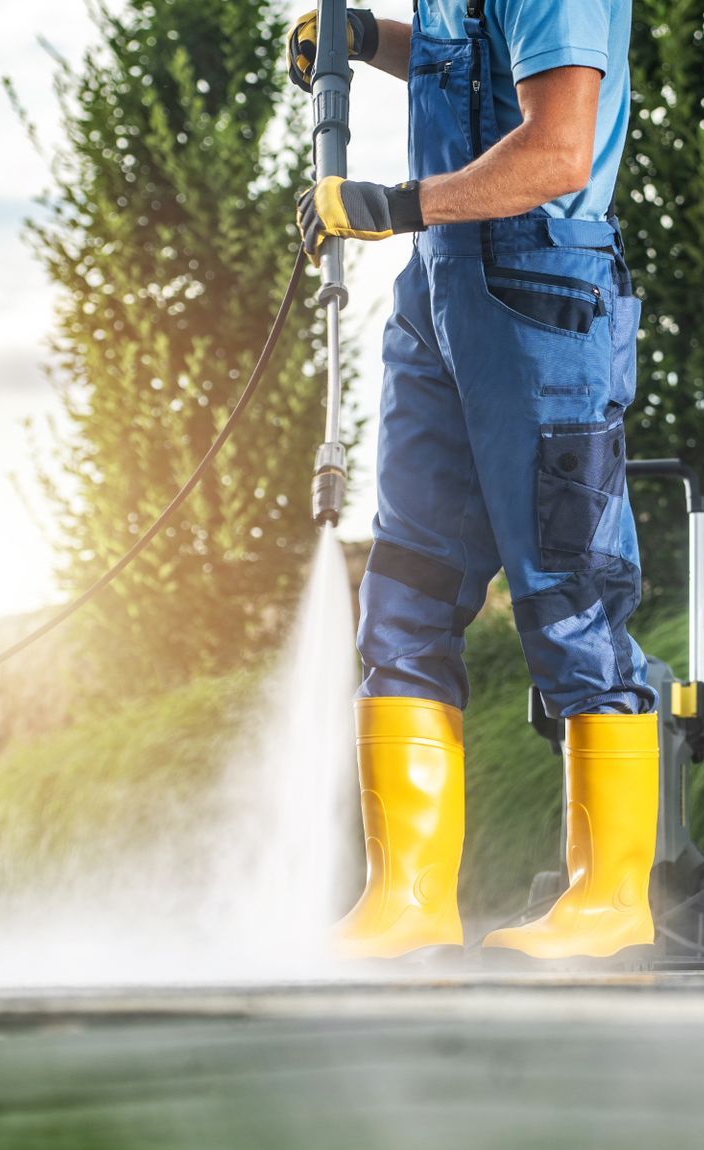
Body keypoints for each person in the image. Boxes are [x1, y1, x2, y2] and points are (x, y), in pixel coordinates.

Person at [285, 0, 657, 963]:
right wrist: (369, 42)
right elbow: (471, 73)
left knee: (571, 593)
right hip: (438, 286)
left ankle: (612, 902)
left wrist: (392, 204)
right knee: (404, 596)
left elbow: (557, 153)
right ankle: (404, 902)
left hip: (541, 285)